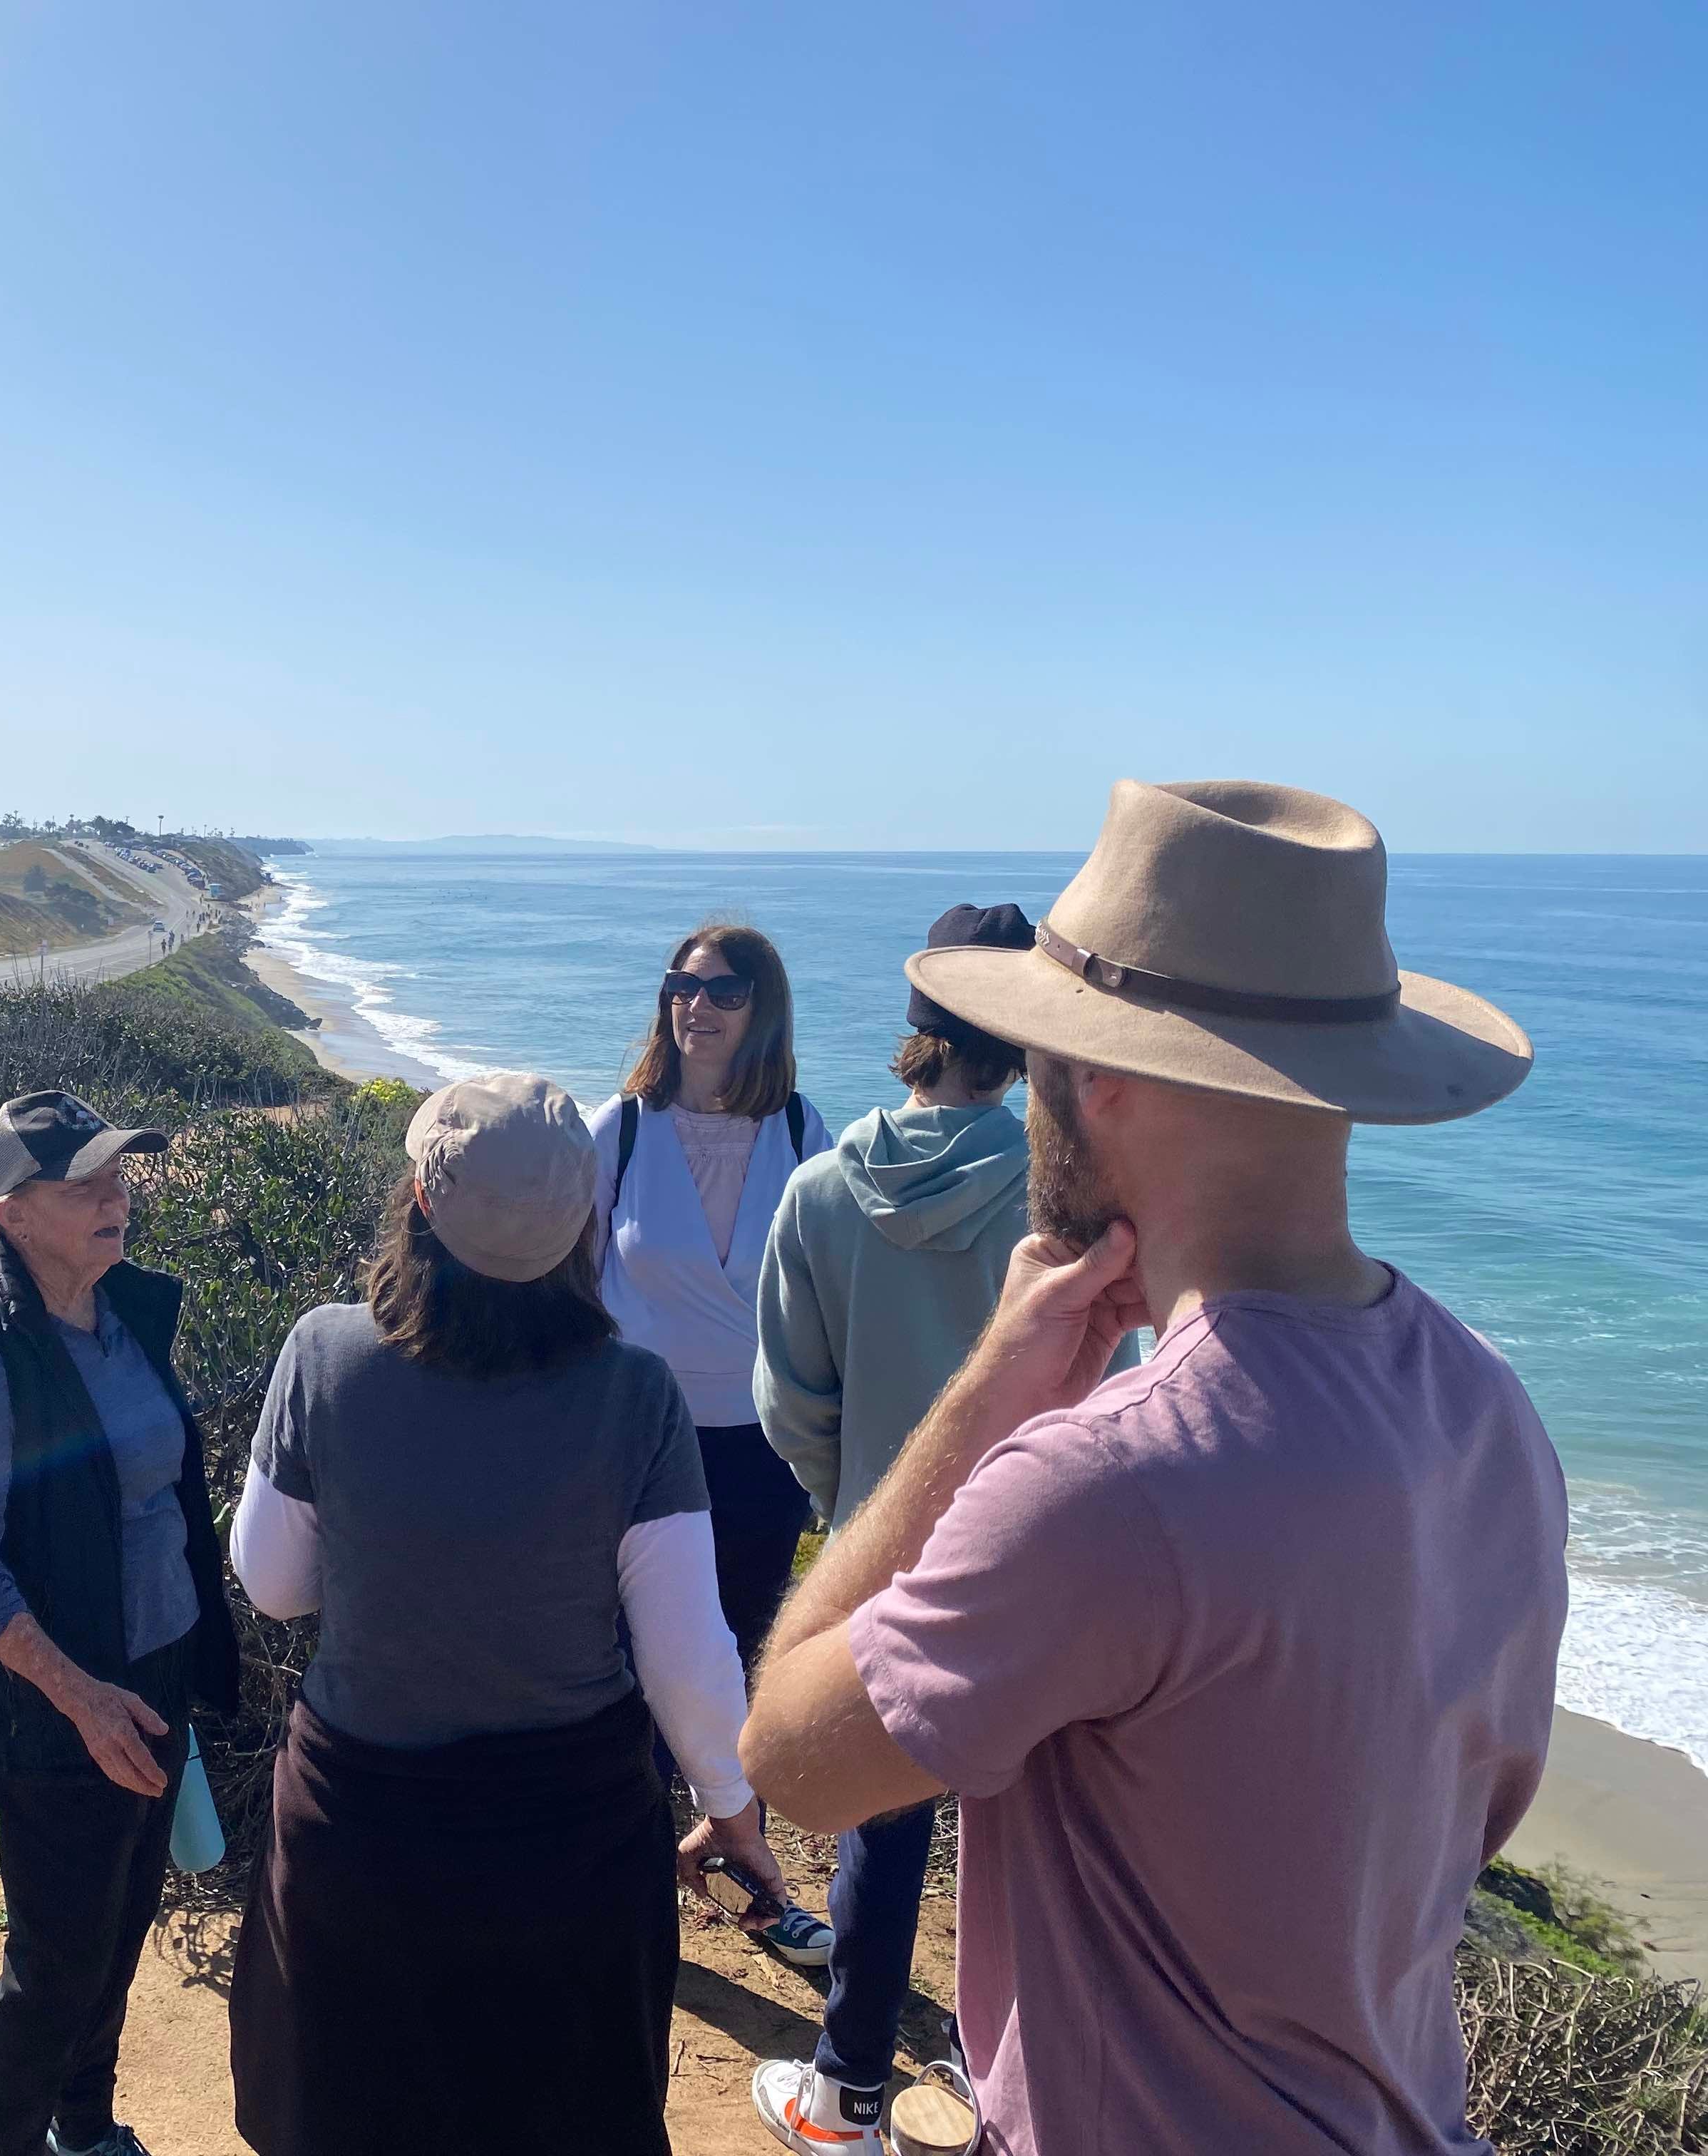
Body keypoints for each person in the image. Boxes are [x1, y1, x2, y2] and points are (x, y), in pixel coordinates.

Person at [741, 781, 1561, 2155]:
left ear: (1104, 1078)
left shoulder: (1109, 1481)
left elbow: (793, 1758)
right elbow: (1466, 1818)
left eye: (1044, 1047)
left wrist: (980, 1408)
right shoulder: (1489, 1410)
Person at [225, 1074, 782, 2156]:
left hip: (362, 1829)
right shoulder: (636, 1394)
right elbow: (684, 1651)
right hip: (566, 1843)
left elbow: (275, 1584)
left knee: (353, 2115)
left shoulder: (324, 1355)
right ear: (584, 1219)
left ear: (422, 1202)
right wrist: (730, 1807)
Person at [746, 901, 1070, 2147]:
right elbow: (1113, 1389)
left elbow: (788, 1396)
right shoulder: (1057, 1199)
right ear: (1024, 1041)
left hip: (881, 1559)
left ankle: (848, 2096)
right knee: (1035, 1840)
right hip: (1046, 1560)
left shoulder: (820, 1189)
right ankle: (1023, 2100)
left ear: (916, 1027)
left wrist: (856, 1510)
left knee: (883, 1836)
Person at [0, 1091, 241, 2156]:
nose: (119, 1198)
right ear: (11, 1214)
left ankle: (86, 2130)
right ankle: (4, 2148)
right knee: (56, 1958)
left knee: (121, 1927)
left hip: (152, 1674)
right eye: (86, 1186)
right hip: (56, 1705)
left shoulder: (126, 1313)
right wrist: (82, 1698)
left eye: (121, 1175)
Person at [587, 922, 832, 1964]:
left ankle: (753, 1880)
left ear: (761, 1007)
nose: (699, 1006)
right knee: (639, 1663)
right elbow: (571, 1279)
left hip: (763, 1446)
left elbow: (828, 1288)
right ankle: (631, 1883)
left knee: (742, 1667)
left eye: (725, 991)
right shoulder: (624, 1129)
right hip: (639, 1442)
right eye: (683, 987)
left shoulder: (805, 1129)